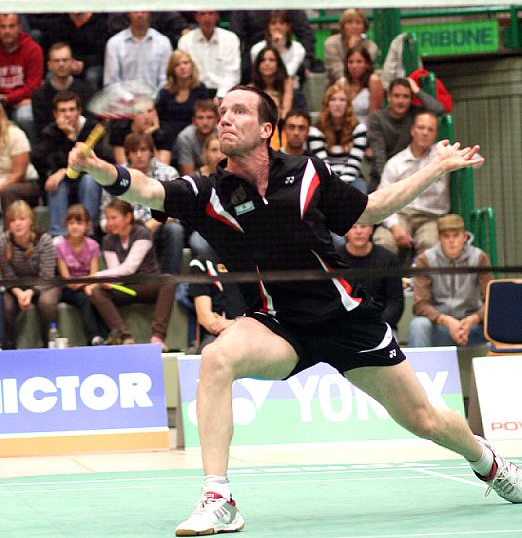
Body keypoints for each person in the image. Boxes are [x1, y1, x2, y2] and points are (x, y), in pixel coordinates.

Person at [68, 84, 522, 537]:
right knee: (216, 358)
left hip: (346, 319)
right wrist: (99, 169)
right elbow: (145, 189)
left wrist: (436, 167)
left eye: (238, 111)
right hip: (277, 326)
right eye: (222, 111)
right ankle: (218, 497)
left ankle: (488, 462)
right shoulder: (207, 192)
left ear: (267, 129)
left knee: (426, 421)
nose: (225, 118)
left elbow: (372, 208)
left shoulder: (308, 173)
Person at [85, 198, 175, 352]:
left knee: (169, 280)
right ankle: (124, 337)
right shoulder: (108, 240)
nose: (110, 223)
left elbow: (129, 268)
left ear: (128, 217)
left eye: (114, 218)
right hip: (125, 288)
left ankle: (157, 337)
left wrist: (96, 276)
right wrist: (108, 282)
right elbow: (116, 269)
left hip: (147, 284)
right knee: (96, 291)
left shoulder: (142, 233)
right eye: (108, 219)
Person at [99, 132, 185, 276]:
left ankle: (171, 283)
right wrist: (115, 223)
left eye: (143, 150)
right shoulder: (115, 176)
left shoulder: (168, 173)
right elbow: (103, 219)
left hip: (157, 229)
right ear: (127, 154)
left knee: (175, 230)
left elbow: (179, 211)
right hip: (126, 233)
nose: (139, 155)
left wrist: (154, 222)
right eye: (134, 151)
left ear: (152, 152)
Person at [32, 90, 112, 236]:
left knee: (89, 180)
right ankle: (58, 234)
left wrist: (71, 138)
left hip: (88, 178)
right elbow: (41, 159)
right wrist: (68, 139)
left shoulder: (92, 128)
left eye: (71, 109)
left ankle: (88, 232)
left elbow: (101, 159)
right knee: (57, 184)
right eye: (62, 110)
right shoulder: (50, 132)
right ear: (55, 114)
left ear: (79, 111)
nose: (68, 114)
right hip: (65, 182)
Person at [372, 111, 450, 261]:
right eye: (421, 128)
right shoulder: (395, 163)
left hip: (431, 217)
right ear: (413, 130)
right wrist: (395, 227)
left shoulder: (443, 157)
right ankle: (391, 284)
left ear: (436, 134)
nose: (425, 133)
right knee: (383, 241)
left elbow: (475, 159)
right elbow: (383, 199)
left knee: (431, 243)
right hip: (400, 214)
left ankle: (422, 285)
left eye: (430, 129)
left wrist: (457, 157)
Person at [408, 213, 493, 348]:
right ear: (439, 239)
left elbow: (491, 300)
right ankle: (417, 369)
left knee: (499, 321)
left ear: (464, 237)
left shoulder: (479, 258)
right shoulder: (425, 259)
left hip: (472, 326)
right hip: (440, 326)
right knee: (418, 325)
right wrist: (446, 320)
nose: (451, 241)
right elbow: (420, 305)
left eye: (456, 236)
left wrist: (474, 319)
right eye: (446, 236)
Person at [230, 0, 314, 84]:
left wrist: (307, 62)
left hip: (285, 51)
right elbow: (236, 34)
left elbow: (305, 33)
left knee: (301, 70)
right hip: (254, 55)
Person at [366, 77, 445, 190]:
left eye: (406, 96)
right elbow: (379, 155)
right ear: (389, 97)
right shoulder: (376, 118)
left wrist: (416, 90)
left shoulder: (415, 113)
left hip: (411, 172)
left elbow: (439, 109)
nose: (401, 101)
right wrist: (390, 182)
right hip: (383, 174)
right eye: (396, 96)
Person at [0, 200, 59, 349]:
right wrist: (20, 292)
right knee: (5, 305)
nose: (17, 224)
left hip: (45, 283)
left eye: (22, 219)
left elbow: (47, 275)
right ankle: (8, 348)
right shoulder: (3, 241)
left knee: (47, 302)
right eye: (13, 220)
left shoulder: (44, 240)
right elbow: (7, 275)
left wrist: (30, 292)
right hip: (16, 286)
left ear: (31, 221)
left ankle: (49, 345)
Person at [55, 204, 107, 346]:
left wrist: (89, 284)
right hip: (68, 290)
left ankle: (107, 337)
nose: (75, 226)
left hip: (88, 287)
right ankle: (94, 337)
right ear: (66, 225)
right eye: (71, 223)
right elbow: (67, 280)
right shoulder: (60, 246)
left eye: (79, 222)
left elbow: (94, 275)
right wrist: (86, 284)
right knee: (84, 298)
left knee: (98, 296)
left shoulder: (93, 245)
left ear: (87, 225)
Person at [339, 223, 404, 335]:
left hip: (380, 327)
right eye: (353, 227)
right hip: (343, 328)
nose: (358, 231)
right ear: (346, 231)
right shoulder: (334, 259)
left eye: (363, 226)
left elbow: (395, 302)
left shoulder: (389, 259)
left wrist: (376, 325)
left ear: (371, 229)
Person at [308, 81, 368, 192]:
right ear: (327, 104)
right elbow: (323, 165)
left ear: (348, 105)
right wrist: (336, 187)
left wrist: (341, 187)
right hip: (326, 180)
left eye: (342, 100)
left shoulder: (359, 129)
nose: (337, 104)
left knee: (360, 189)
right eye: (333, 99)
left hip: (353, 178)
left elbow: (354, 164)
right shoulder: (315, 130)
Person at [31, 41, 95, 140]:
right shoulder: (39, 95)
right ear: (49, 65)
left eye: (65, 60)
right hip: (52, 145)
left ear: (72, 62)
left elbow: (92, 125)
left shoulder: (86, 90)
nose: (61, 64)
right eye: (56, 61)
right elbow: (41, 130)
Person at [53, 0, 108, 90]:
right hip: (65, 62)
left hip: (91, 65)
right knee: (51, 76)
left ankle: (91, 107)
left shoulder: (99, 22)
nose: (76, 2)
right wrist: (68, 63)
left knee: (92, 75)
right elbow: (55, 48)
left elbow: (102, 53)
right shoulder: (60, 22)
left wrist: (83, 63)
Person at [103, 10, 172, 95]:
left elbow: (165, 80)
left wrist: (153, 100)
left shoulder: (163, 42)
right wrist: (129, 101)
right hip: (123, 103)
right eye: (135, 11)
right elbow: (111, 82)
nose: (140, 15)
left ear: (149, 13)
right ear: (128, 13)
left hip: (156, 103)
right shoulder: (114, 43)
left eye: (143, 11)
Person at [177, 10, 241, 101]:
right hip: (193, 94)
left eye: (211, 13)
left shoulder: (230, 39)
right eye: (202, 14)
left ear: (217, 16)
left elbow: (233, 75)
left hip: (224, 93)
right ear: (196, 17)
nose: (207, 18)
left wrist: (220, 96)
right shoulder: (185, 41)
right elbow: (184, 74)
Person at [0, 13, 43, 145]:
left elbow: (34, 85)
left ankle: (32, 156)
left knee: (26, 116)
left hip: (22, 101)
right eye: (2, 27)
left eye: (11, 26)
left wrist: (9, 98)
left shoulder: (33, 49)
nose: (7, 31)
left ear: (20, 27)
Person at [188, 256, 246, 353]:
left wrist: (234, 324)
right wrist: (229, 328)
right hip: (216, 335)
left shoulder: (250, 264)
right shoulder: (201, 263)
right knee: (212, 349)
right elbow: (205, 317)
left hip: (248, 331)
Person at [156, 50, 209, 155]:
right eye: (177, 65)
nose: (182, 67)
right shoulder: (165, 92)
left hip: (194, 136)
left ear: (192, 66)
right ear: (172, 70)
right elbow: (159, 117)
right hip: (169, 137)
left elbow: (205, 114)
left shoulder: (200, 89)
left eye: (185, 63)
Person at [250, 10, 306, 90]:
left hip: (290, 89)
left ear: (288, 26)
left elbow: (288, 73)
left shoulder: (298, 48)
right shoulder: (256, 49)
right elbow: (258, 74)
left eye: (282, 23)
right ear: (268, 26)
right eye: (273, 23)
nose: (277, 27)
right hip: (263, 89)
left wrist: (279, 48)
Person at [0, 102, 40, 212]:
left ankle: (10, 229)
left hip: (24, 183)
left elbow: (19, 174)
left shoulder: (15, 134)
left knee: (8, 191)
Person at [324, 8, 379, 86]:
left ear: (364, 27)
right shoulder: (331, 43)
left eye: (358, 22)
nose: (354, 26)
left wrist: (354, 48)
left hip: (363, 86)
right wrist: (351, 50)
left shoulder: (371, 46)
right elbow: (338, 72)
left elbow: (363, 72)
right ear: (343, 27)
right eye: (349, 22)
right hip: (337, 88)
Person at [250, 46, 294, 124]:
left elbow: (286, 110)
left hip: (282, 123)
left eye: (271, 60)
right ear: (258, 65)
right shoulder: (251, 88)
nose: (267, 63)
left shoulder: (287, 82)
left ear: (278, 63)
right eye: (263, 60)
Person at [344, 44, 384, 127]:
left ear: (367, 64)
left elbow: (374, 118)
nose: (354, 66)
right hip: (345, 132)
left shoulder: (373, 81)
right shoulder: (342, 82)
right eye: (350, 62)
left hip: (367, 131)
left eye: (359, 62)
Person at [176, 99, 220, 176]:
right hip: (198, 178)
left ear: (216, 119)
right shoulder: (185, 137)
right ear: (193, 120)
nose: (205, 122)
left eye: (209, 117)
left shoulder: (223, 134)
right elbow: (188, 176)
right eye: (200, 118)